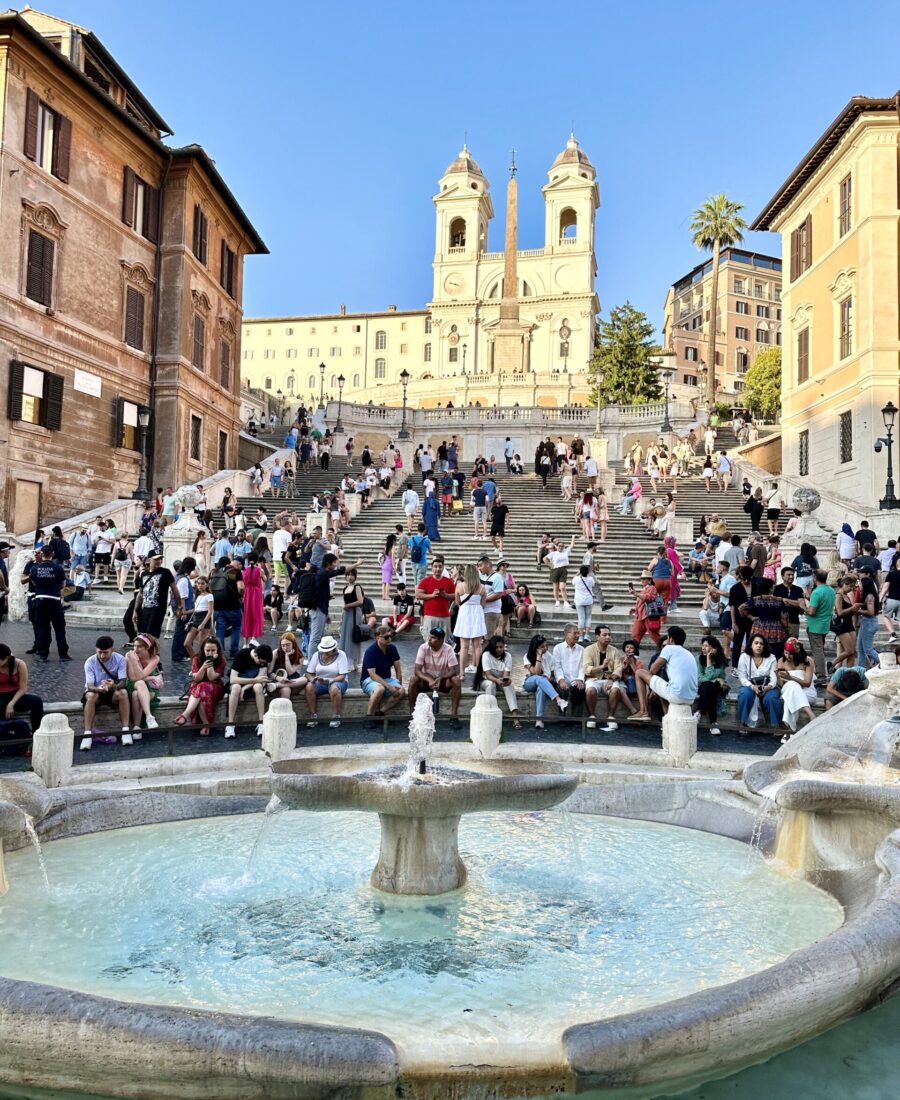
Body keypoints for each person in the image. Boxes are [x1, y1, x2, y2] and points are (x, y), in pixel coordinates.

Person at [632, 625, 698, 720]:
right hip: (691, 697)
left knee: (639, 673)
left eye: (667, 638)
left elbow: (652, 670)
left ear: (670, 639)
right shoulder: (688, 653)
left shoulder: (668, 648)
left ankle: (643, 711)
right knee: (664, 687)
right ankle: (667, 718)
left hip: (677, 694)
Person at [81, 635, 130, 750]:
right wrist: (99, 689)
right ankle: (87, 734)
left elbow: (123, 682)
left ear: (112, 650)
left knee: (123, 693)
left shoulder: (120, 659)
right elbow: (90, 685)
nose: (102, 656)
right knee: (91, 695)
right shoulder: (90, 662)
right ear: (96, 650)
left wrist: (113, 686)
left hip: (112, 691)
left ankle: (126, 731)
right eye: (99, 652)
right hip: (96, 692)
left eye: (105, 653)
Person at [23, 546, 70, 662]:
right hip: (54, 600)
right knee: (59, 629)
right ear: (52, 554)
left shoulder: (34, 569)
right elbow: (63, 585)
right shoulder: (58, 568)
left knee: (42, 628)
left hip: (40, 600)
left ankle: (43, 654)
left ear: (42, 554)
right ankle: (63, 654)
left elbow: (34, 583)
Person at [409, 626, 462, 726]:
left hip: (442, 680)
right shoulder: (423, 647)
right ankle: (412, 716)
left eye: (433, 638)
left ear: (441, 640)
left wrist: (441, 677)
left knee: (456, 680)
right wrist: (429, 679)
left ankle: (454, 716)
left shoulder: (449, 649)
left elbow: (453, 671)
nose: (429, 639)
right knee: (413, 679)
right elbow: (417, 670)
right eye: (430, 636)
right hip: (426, 680)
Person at [308, 552, 358, 657]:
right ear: (328, 563)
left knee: (319, 636)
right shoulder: (323, 572)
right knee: (316, 638)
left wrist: (326, 613)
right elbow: (341, 571)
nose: (335, 564)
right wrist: (357, 564)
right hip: (317, 610)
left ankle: (317, 659)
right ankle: (311, 661)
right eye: (334, 562)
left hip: (320, 609)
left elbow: (319, 595)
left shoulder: (322, 574)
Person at [177, 637, 227, 735]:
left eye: (213, 650)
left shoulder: (222, 661)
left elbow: (211, 677)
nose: (210, 653)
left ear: (218, 650)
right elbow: (197, 679)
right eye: (207, 650)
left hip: (215, 686)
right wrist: (203, 667)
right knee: (201, 690)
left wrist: (210, 662)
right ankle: (206, 725)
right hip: (198, 686)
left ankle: (184, 715)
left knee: (203, 687)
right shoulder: (196, 658)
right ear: (203, 650)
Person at [224, 643, 274, 739]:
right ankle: (230, 724)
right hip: (238, 682)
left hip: (251, 685)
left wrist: (245, 687)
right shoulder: (241, 655)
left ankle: (261, 722)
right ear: (255, 655)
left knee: (259, 687)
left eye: (264, 663)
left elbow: (261, 678)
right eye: (260, 662)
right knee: (236, 688)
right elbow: (233, 679)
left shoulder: (263, 658)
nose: (262, 664)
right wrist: (254, 681)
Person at [361, 624, 406, 726]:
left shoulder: (392, 648)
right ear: (377, 637)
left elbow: (398, 669)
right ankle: (369, 717)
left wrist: (399, 685)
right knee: (379, 689)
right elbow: (372, 675)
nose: (389, 639)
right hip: (368, 680)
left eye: (390, 636)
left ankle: (380, 713)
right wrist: (389, 687)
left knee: (401, 690)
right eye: (386, 637)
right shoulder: (370, 651)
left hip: (386, 679)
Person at [736, 634, 782, 733]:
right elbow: (742, 677)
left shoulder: (772, 658)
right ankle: (742, 722)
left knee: (771, 698)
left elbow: (774, 679)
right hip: (749, 685)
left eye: (761, 644)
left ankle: (777, 725)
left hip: (768, 685)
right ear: (751, 645)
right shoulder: (744, 657)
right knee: (745, 694)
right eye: (756, 643)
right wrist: (752, 687)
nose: (759, 646)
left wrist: (767, 687)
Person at [475, 636, 522, 728]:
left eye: (501, 647)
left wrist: (507, 680)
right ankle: (489, 714)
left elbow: (506, 674)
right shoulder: (486, 655)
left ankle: (515, 718)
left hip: (500, 681)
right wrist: (496, 680)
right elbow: (488, 675)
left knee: (509, 686)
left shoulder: (508, 656)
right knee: (491, 684)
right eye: (497, 647)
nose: (499, 649)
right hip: (487, 681)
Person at [523, 634, 567, 730]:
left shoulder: (549, 657)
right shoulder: (527, 656)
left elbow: (552, 677)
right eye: (542, 647)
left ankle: (539, 720)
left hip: (544, 684)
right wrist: (539, 657)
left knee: (541, 688)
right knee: (539, 678)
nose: (545, 648)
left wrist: (548, 679)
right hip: (530, 682)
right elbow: (536, 673)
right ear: (536, 647)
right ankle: (558, 699)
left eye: (546, 645)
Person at [303, 636, 349, 728]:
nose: (325, 653)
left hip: (338, 681)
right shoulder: (316, 655)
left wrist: (330, 681)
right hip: (320, 682)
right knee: (309, 686)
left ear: (333, 649)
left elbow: (342, 676)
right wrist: (312, 679)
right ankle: (313, 715)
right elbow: (308, 673)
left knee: (334, 689)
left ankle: (336, 716)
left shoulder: (341, 655)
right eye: (323, 650)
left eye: (328, 651)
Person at [582, 625, 622, 732]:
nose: (608, 637)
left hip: (610, 679)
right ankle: (592, 716)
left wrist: (611, 679)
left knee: (615, 690)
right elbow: (587, 669)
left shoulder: (614, 650)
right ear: (597, 637)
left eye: (609, 635)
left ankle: (611, 717)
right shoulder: (588, 650)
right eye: (604, 635)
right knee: (590, 690)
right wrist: (602, 667)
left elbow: (618, 669)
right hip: (593, 679)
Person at [125, 634, 164, 739]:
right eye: (134, 646)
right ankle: (149, 717)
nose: (135, 649)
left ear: (147, 647)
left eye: (139, 646)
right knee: (140, 684)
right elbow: (133, 678)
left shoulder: (154, 658)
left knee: (136, 695)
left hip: (148, 688)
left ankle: (137, 728)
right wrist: (134, 661)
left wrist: (146, 678)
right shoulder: (129, 656)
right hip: (132, 684)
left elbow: (140, 676)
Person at [133, 553, 180, 639]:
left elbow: (174, 589)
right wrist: (135, 610)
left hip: (158, 609)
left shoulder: (165, 572)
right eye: (156, 559)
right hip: (145, 608)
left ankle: (155, 652)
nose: (159, 561)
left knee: (152, 636)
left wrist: (180, 605)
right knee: (143, 635)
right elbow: (140, 594)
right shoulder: (144, 574)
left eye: (160, 559)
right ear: (149, 560)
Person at [776, 638, 817, 739]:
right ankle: (810, 714)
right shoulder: (781, 661)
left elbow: (807, 683)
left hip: (807, 692)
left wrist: (790, 678)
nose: (788, 656)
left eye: (791, 654)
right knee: (791, 686)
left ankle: (788, 730)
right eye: (786, 653)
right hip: (789, 690)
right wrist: (778, 677)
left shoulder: (807, 661)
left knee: (791, 693)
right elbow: (781, 685)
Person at [0, 643, 44, 734]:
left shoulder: (19, 664)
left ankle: (36, 733)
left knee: (37, 701)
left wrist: (11, 704)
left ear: (6, 658)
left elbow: (23, 688)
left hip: (15, 695)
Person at [741, 577, 788, 659]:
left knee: (758, 652)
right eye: (773, 586)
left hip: (759, 628)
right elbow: (784, 618)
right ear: (770, 589)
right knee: (776, 655)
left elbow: (741, 608)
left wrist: (751, 617)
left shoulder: (756, 599)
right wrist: (785, 626)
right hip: (776, 631)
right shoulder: (778, 600)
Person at [454, 564, 487, 675]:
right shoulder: (482, 587)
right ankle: (479, 672)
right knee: (477, 646)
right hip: (477, 614)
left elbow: (457, 602)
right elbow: (483, 604)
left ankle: (462, 673)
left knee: (464, 646)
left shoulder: (460, 586)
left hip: (464, 614)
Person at [695, 636, 727, 736]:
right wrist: (716, 679)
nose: (704, 648)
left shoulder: (720, 661)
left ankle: (700, 712)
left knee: (709, 687)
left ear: (714, 648)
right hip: (703, 687)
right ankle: (713, 723)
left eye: (707, 646)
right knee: (708, 686)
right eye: (703, 645)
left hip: (718, 687)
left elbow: (708, 676)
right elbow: (700, 678)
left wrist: (708, 658)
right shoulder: (698, 659)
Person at [551, 624, 587, 712]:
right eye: (575, 633)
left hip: (576, 680)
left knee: (579, 690)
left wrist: (580, 679)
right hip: (564, 679)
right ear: (567, 634)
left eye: (578, 633)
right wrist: (561, 680)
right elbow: (557, 666)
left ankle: (576, 719)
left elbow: (582, 667)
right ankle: (562, 718)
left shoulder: (582, 649)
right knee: (562, 689)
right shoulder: (558, 648)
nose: (577, 636)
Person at [417, 558, 455, 639]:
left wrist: (445, 595)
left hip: (445, 616)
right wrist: (432, 595)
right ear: (432, 567)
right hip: (430, 616)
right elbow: (418, 595)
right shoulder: (426, 581)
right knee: (429, 640)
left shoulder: (449, 581)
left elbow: (455, 596)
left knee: (445, 641)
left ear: (443, 567)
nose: (438, 569)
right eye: (435, 566)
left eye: (440, 566)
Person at [339, 567, 365, 671]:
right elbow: (344, 605)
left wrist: (348, 605)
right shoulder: (345, 588)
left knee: (353, 636)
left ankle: (354, 662)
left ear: (355, 576)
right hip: (347, 614)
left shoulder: (357, 587)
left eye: (352, 575)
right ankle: (349, 661)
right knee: (346, 637)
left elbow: (360, 601)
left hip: (354, 613)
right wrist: (342, 616)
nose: (350, 577)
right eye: (348, 575)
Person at [629, 572, 666, 648]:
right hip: (640, 616)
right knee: (635, 635)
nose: (642, 580)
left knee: (654, 636)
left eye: (644, 579)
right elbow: (641, 602)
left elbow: (647, 598)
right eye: (641, 579)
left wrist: (635, 593)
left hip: (648, 616)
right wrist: (635, 609)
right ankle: (634, 653)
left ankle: (665, 650)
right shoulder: (644, 589)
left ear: (649, 580)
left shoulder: (652, 588)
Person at [856, 568, 881, 670]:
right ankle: (860, 668)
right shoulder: (868, 595)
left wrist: (858, 610)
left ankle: (885, 661)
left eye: (861, 584)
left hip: (869, 622)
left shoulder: (870, 596)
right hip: (866, 622)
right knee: (860, 648)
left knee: (868, 649)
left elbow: (870, 612)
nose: (859, 586)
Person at [547, 534, 576, 608]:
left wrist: (573, 537)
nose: (560, 547)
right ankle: (557, 601)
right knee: (555, 587)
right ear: (556, 547)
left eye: (562, 546)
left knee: (562, 587)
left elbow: (572, 545)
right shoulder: (553, 553)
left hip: (563, 569)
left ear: (564, 547)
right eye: (559, 546)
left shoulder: (566, 551)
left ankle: (566, 601)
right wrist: (550, 565)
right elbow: (544, 559)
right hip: (555, 570)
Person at [573, 564, 595, 641]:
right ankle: (587, 635)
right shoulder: (591, 579)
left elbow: (572, 582)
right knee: (588, 617)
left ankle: (580, 636)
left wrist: (577, 573)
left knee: (581, 618)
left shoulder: (576, 579)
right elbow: (593, 585)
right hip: (588, 600)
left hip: (579, 600)